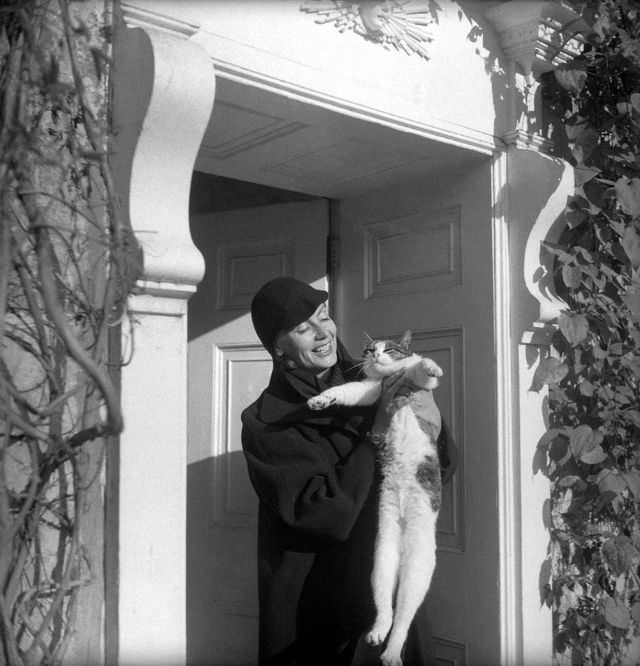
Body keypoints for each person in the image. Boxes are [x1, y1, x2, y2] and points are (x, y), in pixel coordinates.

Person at [241, 277, 457, 666]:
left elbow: (444, 466)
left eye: (324, 316)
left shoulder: (377, 378)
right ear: (277, 344)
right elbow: (318, 510)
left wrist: (421, 415)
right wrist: (377, 430)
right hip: (321, 592)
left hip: (386, 580)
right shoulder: (266, 422)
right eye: (303, 328)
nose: (323, 333)